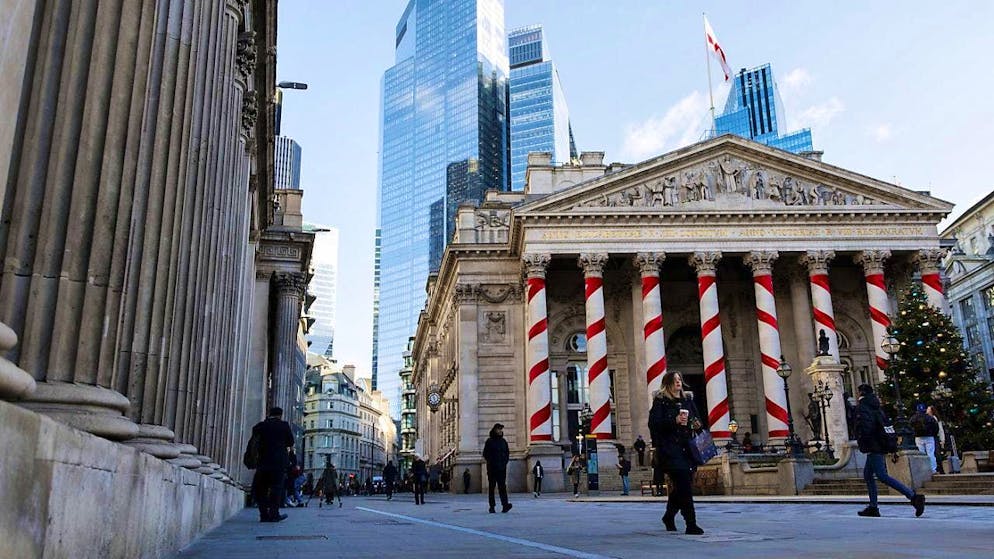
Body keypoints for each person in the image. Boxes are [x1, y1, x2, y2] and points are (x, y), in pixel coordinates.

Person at [854, 384, 925, 518]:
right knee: (868, 475)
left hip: (873, 445)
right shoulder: (876, 406)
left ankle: (914, 497)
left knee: (882, 475)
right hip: (880, 443)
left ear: (861, 393)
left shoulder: (863, 407)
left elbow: (865, 427)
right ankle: (873, 507)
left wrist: (864, 442)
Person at [648, 371, 704, 535]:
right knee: (684, 485)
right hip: (670, 449)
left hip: (687, 448)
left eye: (680, 379)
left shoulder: (687, 400)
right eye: (675, 380)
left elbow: (697, 421)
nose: (678, 382)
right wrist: (674, 421)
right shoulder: (661, 402)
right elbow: (654, 424)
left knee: (682, 485)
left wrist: (695, 424)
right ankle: (691, 523)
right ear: (668, 384)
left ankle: (668, 515)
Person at [250, 407, 294, 523]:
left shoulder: (260, 426)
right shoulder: (284, 425)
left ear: (269, 414)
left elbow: (254, 441)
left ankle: (263, 514)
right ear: (280, 415)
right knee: (276, 488)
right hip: (279, 462)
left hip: (263, 461)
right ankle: (274, 514)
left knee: (261, 488)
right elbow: (291, 442)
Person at [482, 423, 512, 513]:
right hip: (492, 469)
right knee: (492, 488)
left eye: (501, 429)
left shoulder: (503, 441)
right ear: (494, 430)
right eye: (498, 429)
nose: (500, 431)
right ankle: (492, 506)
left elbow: (507, 453)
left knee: (502, 487)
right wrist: (491, 462)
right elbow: (485, 454)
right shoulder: (489, 441)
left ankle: (505, 505)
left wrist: (504, 462)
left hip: (502, 468)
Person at [912, 403, 940, 473]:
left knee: (921, 454)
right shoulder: (930, 418)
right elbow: (936, 428)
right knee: (931, 453)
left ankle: (923, 470)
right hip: (929, 437)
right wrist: (933, 434)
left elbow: (910, 427)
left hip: (918, 438)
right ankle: (933, 469)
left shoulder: (914, 418)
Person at [929, 406, 947, 474]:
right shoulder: (933, 418)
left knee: (935, 453)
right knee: (935, 453)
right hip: (934, 437)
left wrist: (942, 440)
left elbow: (940, 430)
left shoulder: (933, 419)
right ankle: (939, 468)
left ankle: (939, 468)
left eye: (928, 409)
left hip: (934, 437)